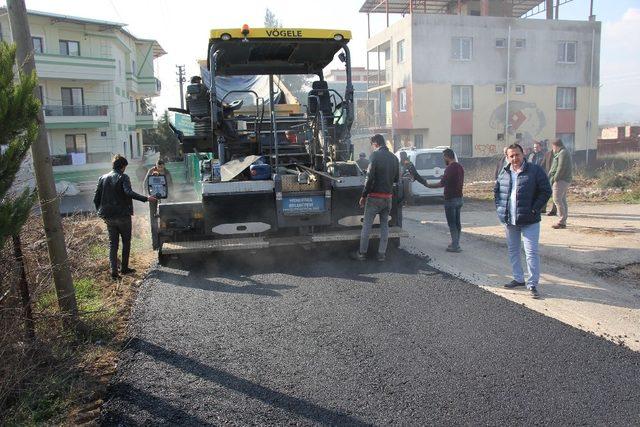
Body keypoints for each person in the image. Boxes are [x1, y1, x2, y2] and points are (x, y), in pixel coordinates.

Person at [494, 143, 551, 298]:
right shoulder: (504, 172)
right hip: (509, 220)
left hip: (529, 220)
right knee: (513, 250)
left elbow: (546, 191)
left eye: (517, 155)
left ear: (523, 154)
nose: (514, 158)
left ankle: (532, 284)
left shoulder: (535, 170)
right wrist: (500, 208)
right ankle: (518, 278)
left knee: (531, 252)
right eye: (511, 156)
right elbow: (497, 190)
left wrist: (535, 208)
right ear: (507, 157)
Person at [94, 155, 156, 280]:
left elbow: (96, 199)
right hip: (122, 216)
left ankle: (113, 271)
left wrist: (100, 212)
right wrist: (146, 198)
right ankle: (124, 268)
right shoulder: (123, 177)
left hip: (108, 217)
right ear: (123, 166)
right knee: (126, 241)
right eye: (125, 167)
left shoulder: (102, 178)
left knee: (113, 244)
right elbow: (128, 192)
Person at [351, 134, 399, 262]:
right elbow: (397, 179)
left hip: (374, 198)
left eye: (372, 145)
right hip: (388, 198)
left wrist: (363, 195)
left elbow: (369, 178)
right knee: (384, 226)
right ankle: (381, 254)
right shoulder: (394, 158)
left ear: (376, 143)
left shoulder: (375, 156)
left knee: (367, 225)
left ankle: (362, 253)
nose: (372, 148)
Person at [425, 149, 464, 252]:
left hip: (450, 199)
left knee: (452, 223)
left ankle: (455, 246)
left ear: (447, 157)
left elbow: (442, 183)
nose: (443, 159)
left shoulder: (450, 168)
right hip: (459, 198)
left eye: (444, 157)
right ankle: (456, 243)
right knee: (457, 223)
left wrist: (429, 185)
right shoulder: (460, 167)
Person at [548, 139, 573, 229]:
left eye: (553, 147)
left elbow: (561, 167)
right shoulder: (563, 152)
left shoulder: (562, 153)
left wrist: (555, 179)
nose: (552, 149)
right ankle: (564, 219)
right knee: (562, 199)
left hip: (561, 180)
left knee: (557, 199)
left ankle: (561, 222)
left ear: (556, 145)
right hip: (564, 179)